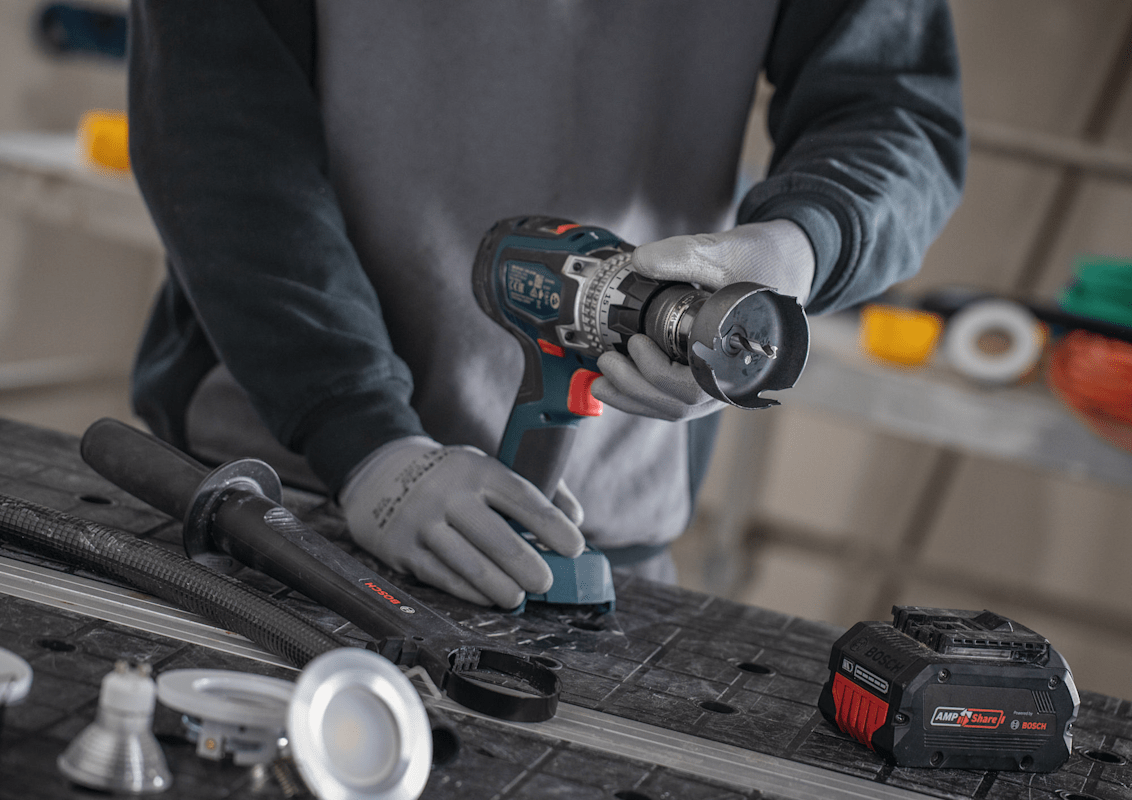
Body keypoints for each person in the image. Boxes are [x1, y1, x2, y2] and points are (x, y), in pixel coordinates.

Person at [126, 0, 966, 609]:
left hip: (605, 525)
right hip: (274, 496)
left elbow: (895, 112)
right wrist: (365, 438)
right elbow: (217, 130)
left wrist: (801, 246)